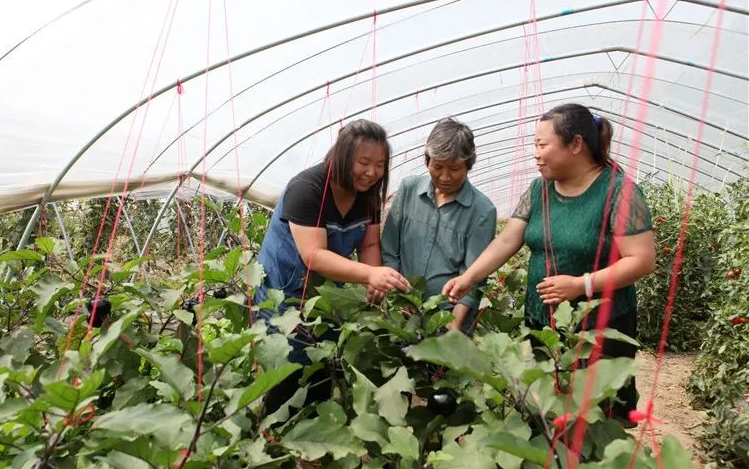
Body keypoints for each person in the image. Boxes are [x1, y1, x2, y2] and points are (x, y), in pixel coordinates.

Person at [443, 103, 655, 422]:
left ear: (576, 144)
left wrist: (582, 284)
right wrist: (469, 277)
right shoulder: (539, 188)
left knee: (597, 418)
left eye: (543, 145)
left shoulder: (618, 192)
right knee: (546, 409)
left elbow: (641, 260)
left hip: (600, 327)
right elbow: (507, 240)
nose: (536, 153)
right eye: (534, 145)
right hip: (543, 322)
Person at [256, 119, 410, 415]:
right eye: (364, 162)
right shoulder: (307, 189)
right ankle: (277, 439)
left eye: (380, 165)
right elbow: (314, 255)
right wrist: (371, 273)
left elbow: (368, 244)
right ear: (342, 157)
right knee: (287, 368)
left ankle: (314, 439)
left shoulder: (368, 196)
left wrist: (373, 281)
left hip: (326, 294)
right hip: (282, 292)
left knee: (322, 363)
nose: (372, 172)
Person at [381, 117, 496, 333]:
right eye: (437, 166)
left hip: (447, 316)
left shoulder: (482, 211)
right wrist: (397, 296)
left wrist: (454, 324)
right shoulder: (408, 189)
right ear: (427, 161)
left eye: (454, 168)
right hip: (400, 310)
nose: (444, 176)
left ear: (468, 165)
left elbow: (473, 276)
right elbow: (389, 251)